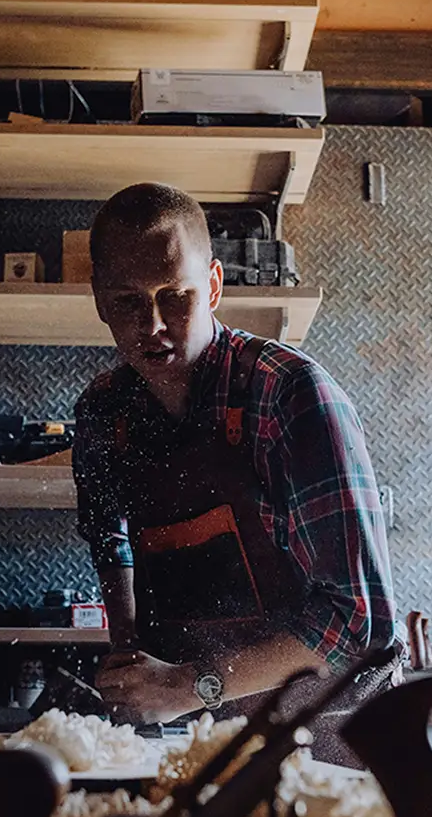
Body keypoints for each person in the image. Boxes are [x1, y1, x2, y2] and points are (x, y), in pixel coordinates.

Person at [72, 182, 397, 757]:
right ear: (98, 301)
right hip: (200, 735)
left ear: (215, 286)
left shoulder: (291, 395)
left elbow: (357, 624)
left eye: (175, 295)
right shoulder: (104, 414)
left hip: (335, 731)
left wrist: (186, 684)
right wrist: (128, 662)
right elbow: (109, 539)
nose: (152, 324)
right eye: (127, 301)